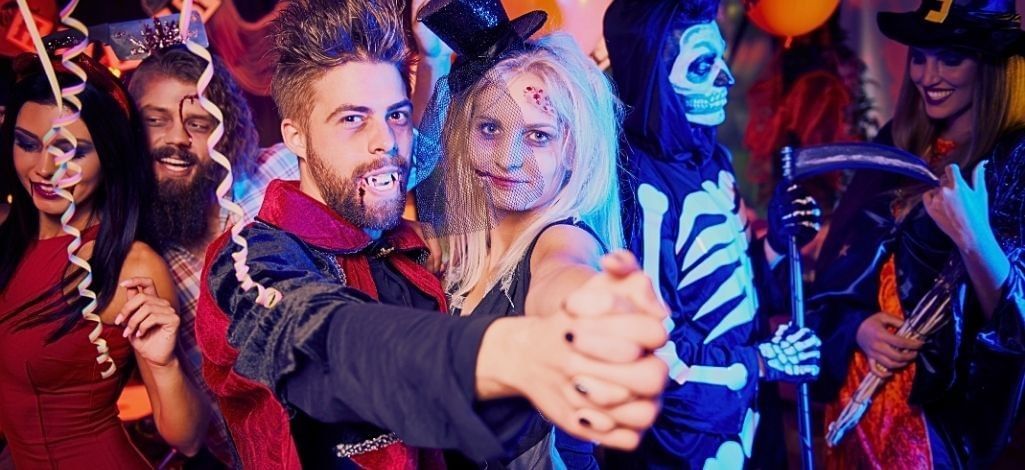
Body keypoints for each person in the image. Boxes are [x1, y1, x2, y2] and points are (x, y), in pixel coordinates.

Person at [195, 0, 669, 468]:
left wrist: (586, 311)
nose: (385, 142)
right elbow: (316, 336)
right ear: (296, 136)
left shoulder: (415, 247)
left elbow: (562, 269)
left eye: (397, 115)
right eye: (352, 118)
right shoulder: (248, 260)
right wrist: (510, 352)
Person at [602, 0, 824, 467]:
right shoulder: (639, 191)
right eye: (703, 65)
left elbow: (739, 288)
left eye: (720, 58)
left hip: (748, 419)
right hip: (681, 444)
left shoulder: (712, 161)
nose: (726, 78)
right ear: (654, 78)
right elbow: (654, 357)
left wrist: (776, 244)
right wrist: (762, 363)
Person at [809, 0, 1025, 467]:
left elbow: (1017, 328)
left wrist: (973, 237)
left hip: (943, 424)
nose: (928, 76)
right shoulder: (897, 141)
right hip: (857, 400)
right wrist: (857, 328)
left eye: (951, 57)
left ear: (991, 66)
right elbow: (839, 272)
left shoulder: (1017, 160)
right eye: (920, 57)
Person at [413, 0, 627, 466]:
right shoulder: (466, 250)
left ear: (575, 149)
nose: (507, 158)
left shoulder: (563, 240)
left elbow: (564, 274)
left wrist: (589, 308)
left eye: (538, 136)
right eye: (489, 129)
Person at [0, 55, 208, 468]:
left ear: (109, 157)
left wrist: (163, 364)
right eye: (27, 143)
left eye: (71, 151)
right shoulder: (10, 238)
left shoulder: (132, 265)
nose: (44, 169)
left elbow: (187, 440)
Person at [126, 44, 299, 466]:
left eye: (198, 123)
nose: (178, 138)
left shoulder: (281, 171)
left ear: (227, 132)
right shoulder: (142, 266)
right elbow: (186, 440)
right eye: (155, 120)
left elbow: (404, 164)